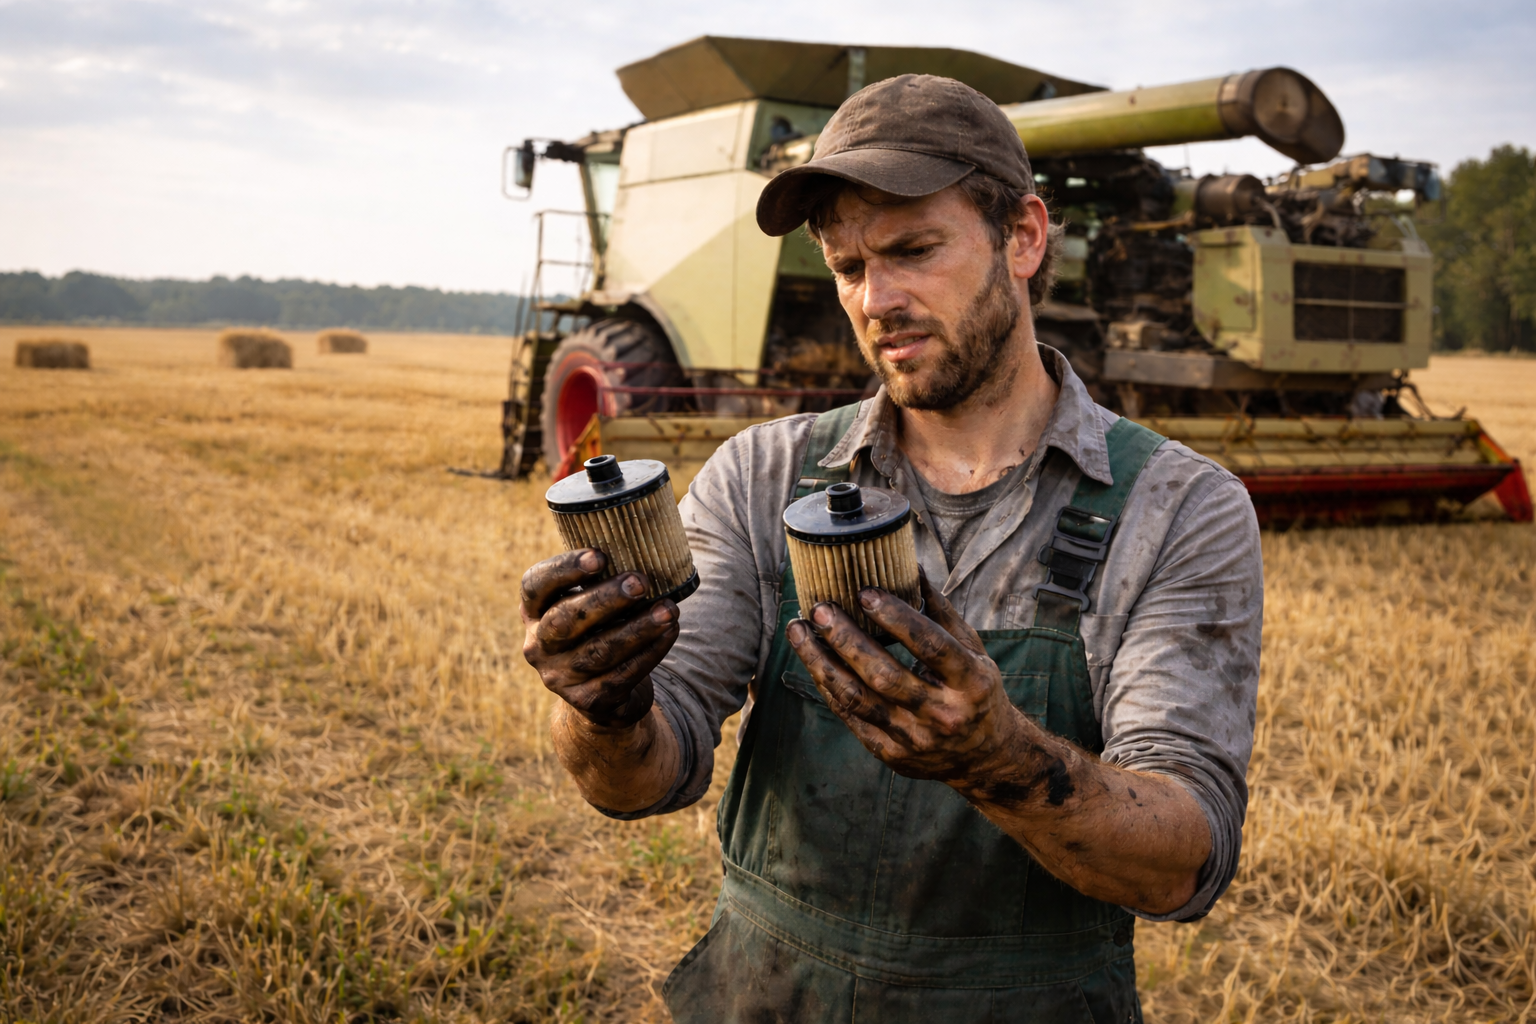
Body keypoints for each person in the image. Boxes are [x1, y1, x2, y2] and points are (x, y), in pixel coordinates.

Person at [521, 74, 1262, 1022]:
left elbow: (1183, 861)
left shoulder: (1178, 508)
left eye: (914, 249)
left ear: (1025, 237)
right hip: (768, 999)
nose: (877, 300)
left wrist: (999, 759)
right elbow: (640, 782)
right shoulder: (763, 475)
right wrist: (603, 708)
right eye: (845, 266)